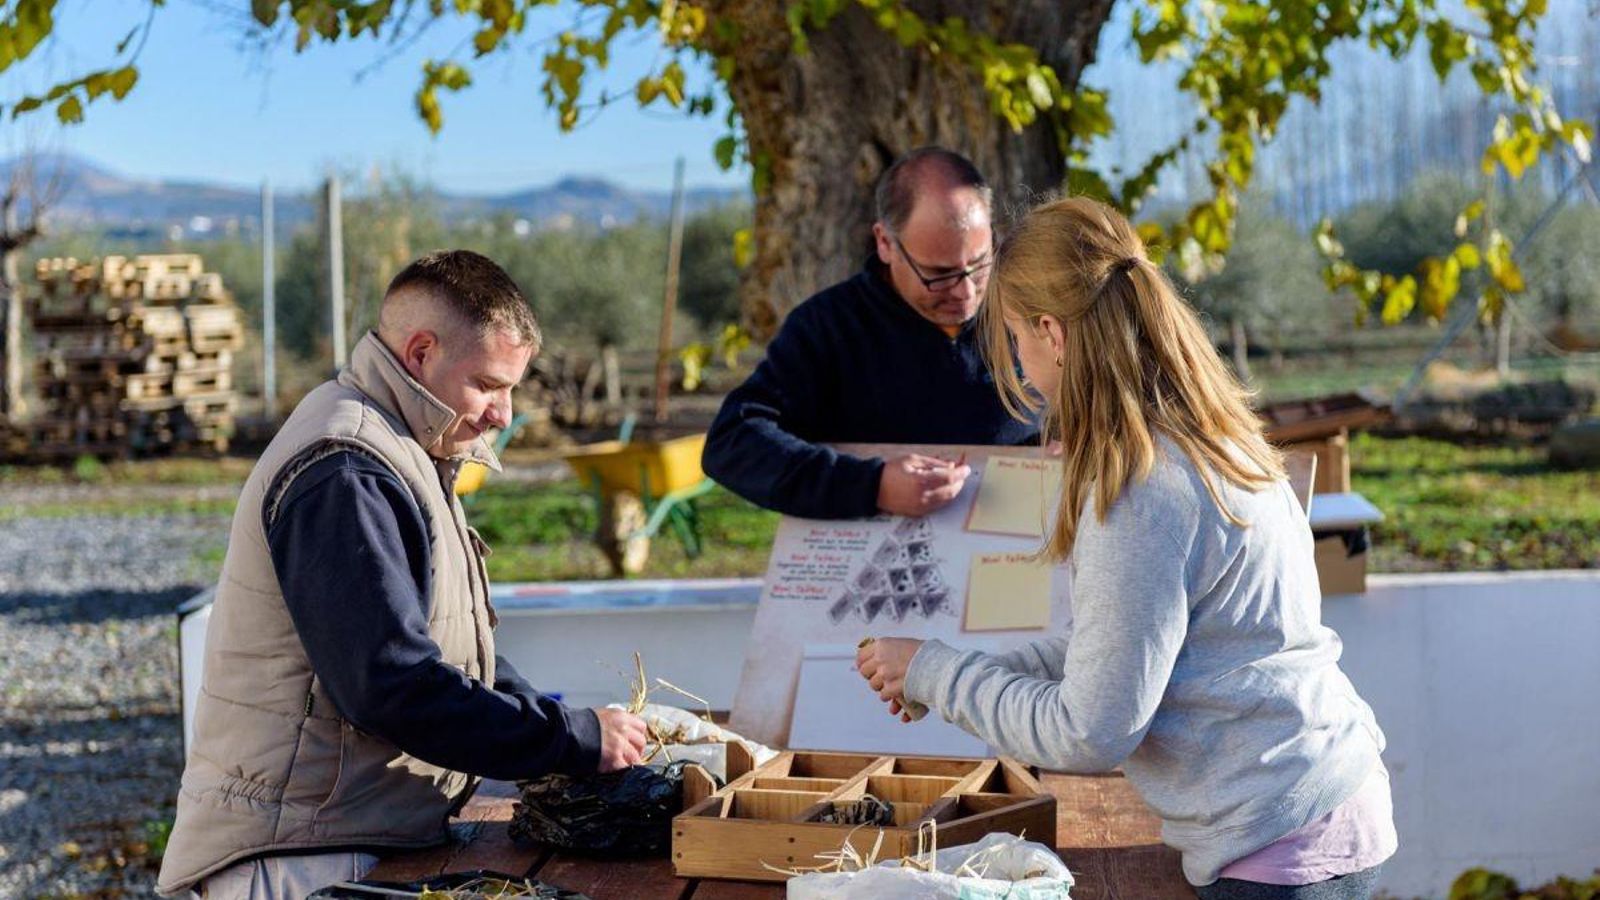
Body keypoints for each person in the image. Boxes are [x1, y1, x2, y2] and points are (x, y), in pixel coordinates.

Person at [856, 197, 1396, 898]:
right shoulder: (1207, 436)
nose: (1019, 364)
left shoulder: (1143, 492)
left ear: (1051, 332)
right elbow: (1120, 648)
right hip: (1323, 805)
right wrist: (955, 672)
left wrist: (936, 673)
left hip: (1281, 849)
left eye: (1016, 338)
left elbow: (1088, 733)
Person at [157, 251, 650, 898]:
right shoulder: (345, 470)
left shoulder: (406, 444)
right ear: (420, 353)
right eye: (490, 385)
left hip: (351, 841)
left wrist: (551, 720)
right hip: (303, 860)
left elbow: (446, 654)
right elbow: (392, 684)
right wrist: (569, 740)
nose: (504, 413)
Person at [701, 147, 1038, 520]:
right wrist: (871, 486)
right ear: (885, 244)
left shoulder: (1034, 311)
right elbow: (733, 442)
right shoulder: (826, 329)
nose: (966, 292)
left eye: (978, 265)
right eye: (939, 274)